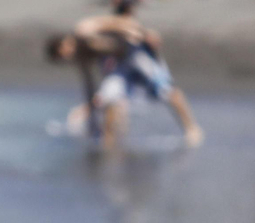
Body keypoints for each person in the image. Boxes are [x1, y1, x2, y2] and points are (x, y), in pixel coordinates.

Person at [46, 15, 203, 149]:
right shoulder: (80, 56)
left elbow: (114, 21)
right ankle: (109, 146)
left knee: (165, 90)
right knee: (110, 98)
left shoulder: (83, 30)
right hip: (117, 62)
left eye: (63, 57)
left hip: (135, 49)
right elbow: (89, 85)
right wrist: (91, 119)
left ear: (63, 46)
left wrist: (143, 32)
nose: (66, 59)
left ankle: (192, 129)